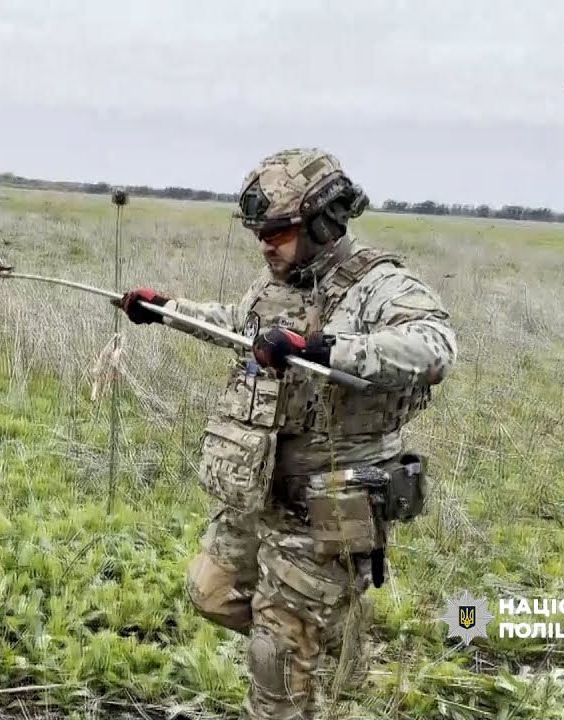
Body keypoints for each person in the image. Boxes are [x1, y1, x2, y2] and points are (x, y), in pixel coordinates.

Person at [111, 148, 456, 720]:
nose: (266, 245)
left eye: (279, 232)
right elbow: (240, 327)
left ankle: (297, 652)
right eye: (259, 234)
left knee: (274, 653)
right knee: (210, 592)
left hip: (332, 504)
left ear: (324, 220)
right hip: (261, 491)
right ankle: (321, 633)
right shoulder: (278, 285)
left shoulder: (380, 285)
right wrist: (166, 310)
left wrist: (322, 348)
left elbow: (434, 344)